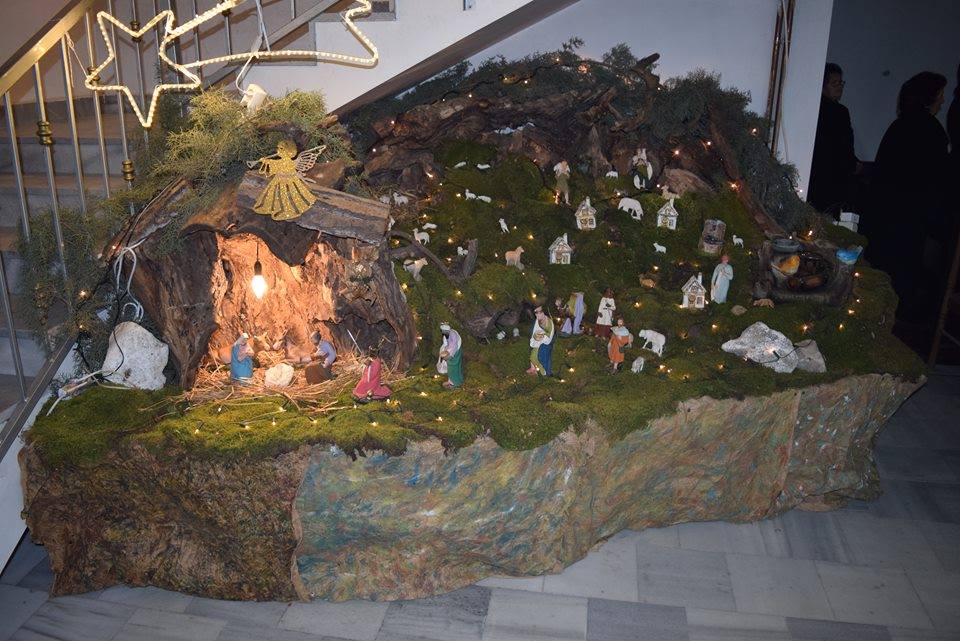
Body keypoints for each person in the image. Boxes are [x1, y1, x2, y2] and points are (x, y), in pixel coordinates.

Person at [866, 71, 949, 322]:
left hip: (885, 215)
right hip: (911, 219)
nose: (943, 100)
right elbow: (935, 181)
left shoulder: (899, 125)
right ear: (930, 96)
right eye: (940, 94)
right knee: (902, 279)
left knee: (882, 274)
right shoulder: (932, 131)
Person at [808, 63, 859, 214]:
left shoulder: (815, 107)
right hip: (832, 175)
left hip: (819, 174)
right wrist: (852, 164)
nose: (839, 87)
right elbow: (844, 145)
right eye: (834, 83)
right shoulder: (839, 112)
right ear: (823, 85)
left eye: (841, 83)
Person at [527, 306, 555, 376]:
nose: (538, 314)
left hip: (546, 342)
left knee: (535, 356)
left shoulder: (549, 322)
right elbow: (535, 332)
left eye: (540, 312)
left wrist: (542, 337)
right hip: (538, 341)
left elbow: (549, 337)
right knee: (532, 354)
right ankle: (533, 368)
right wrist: (535, 337)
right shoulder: (537, 321)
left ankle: (543, 370)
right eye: (536, 312)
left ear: (543, 311)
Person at [438, 322, 464, 389]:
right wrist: (445, 350)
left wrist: (450, 354)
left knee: (453, 369)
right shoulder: (447, 334)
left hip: (454, 354)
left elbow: (454, 346)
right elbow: (447, 344)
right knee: (450, 369)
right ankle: (451, 381)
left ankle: (455, 383)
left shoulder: (453, 334)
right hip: (450, 353)